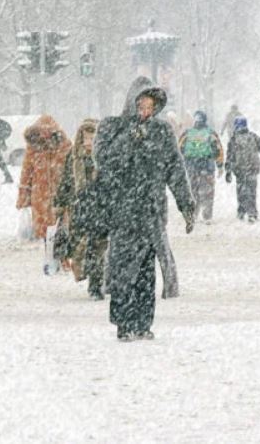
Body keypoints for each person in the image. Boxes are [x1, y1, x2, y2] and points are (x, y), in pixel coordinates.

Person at [94, 76, 195, 341]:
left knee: (146, 274)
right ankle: (123, 324)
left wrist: (186, 204)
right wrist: (129, 139)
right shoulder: (112, 127)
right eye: (142, 104)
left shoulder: (161, 133)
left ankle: (143, 322)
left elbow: (175, 168)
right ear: (133, 102)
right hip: (123, 215)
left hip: (151, 215)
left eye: (152, 106)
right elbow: (104, 161)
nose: (146, 111)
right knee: (123, 272)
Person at [53, 119, 108, 300]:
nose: (88, 142)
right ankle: (91, 277)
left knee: (97, 247)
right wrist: (59, 205)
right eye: (85, 137)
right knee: (82, 248)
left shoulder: (105, 156)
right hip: (80, 210)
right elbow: (66, 182)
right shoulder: (74, 156)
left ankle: (96, 285)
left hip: (101, 208)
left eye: (92, 137)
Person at [16, 115, 72, 272]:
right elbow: (26, 174)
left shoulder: (65, 146)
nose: (44, 136)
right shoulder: (33, 149)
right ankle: (51, 259)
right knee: (46, 232)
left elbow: (72, 171)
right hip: (40, 197)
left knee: (62, 229)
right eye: (41, 133)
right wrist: (23, 198)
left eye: (47, 132)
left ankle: (62, 259)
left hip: (60, 196)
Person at [178, 110, 224, 223]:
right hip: (207, 167)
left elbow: (179, 149)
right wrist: (220, 165)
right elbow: (218, 149)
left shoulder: (187, 133)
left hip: (191, 167)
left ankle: (194, 214)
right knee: (208, 192)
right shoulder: (210, 133)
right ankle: (207, 216)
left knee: (193, 191)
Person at [225, 116, 260, 223]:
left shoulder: (233, 140)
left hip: (239, 170)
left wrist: (228, 171)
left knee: (241, 191)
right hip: (252, 169)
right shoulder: (253, 137)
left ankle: (241, 212)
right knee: (251, 191)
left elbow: (230, 156)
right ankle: (252, 213)